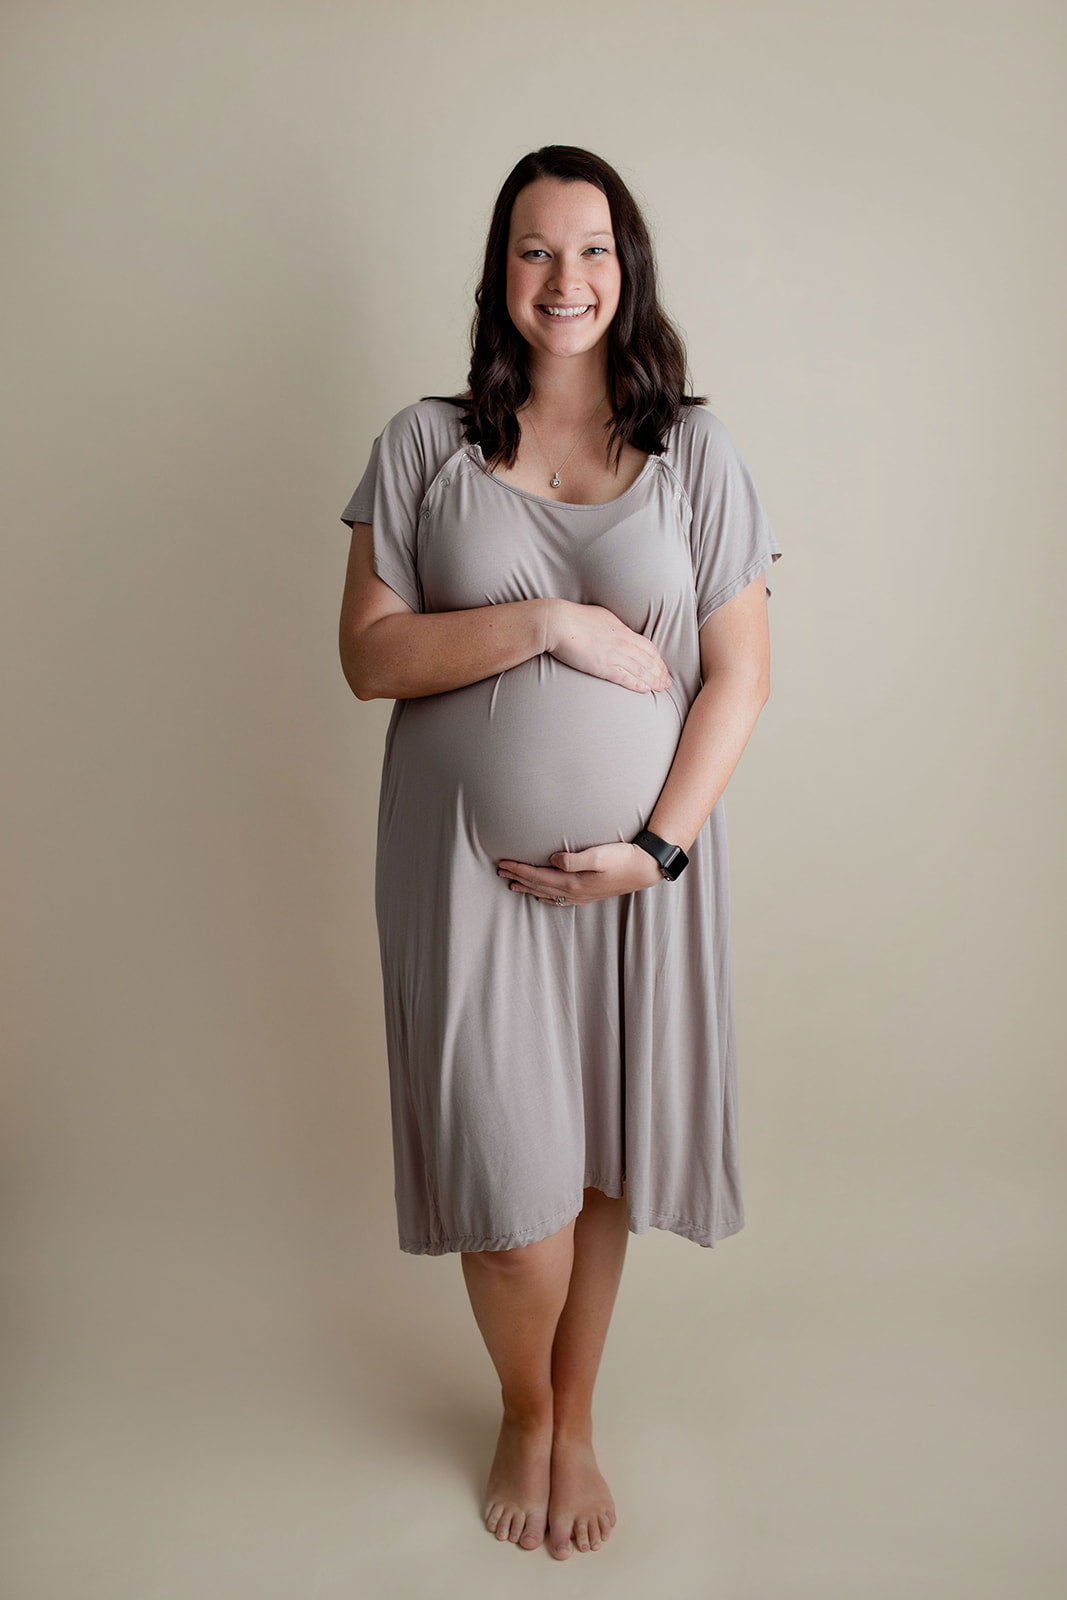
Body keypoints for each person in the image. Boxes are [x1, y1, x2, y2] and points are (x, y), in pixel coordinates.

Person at [335, 145, 782, 1561]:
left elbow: (741, 677)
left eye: (593, 250)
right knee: (513, 1202)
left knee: (597, 1172)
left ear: (627, 270)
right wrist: (551, 624)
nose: (567, 278)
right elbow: (369, 658)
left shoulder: (698, 451)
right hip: (467, 884)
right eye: (536, 250)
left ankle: (569, 1417)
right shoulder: (424, 444)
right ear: (501, 273)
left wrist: (657, 851)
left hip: (636, 889)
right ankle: (521, 1401)